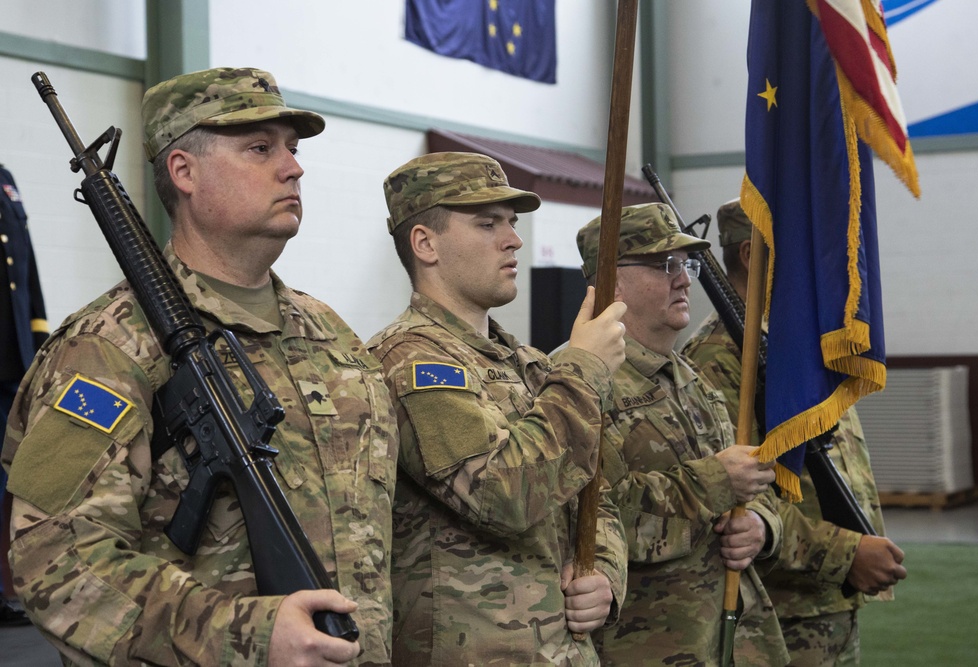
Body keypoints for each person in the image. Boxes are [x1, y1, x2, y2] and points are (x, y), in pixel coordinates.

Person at [1, 67, 397, 666]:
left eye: (291, 148)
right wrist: (245, 636)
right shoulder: (108, 348)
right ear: (183, 172)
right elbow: (55, 562)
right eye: (260, 149)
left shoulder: (330, 335)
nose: (293, 167)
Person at [367, 151, 629, 665]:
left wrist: (603, 573)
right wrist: (582, 369)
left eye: (511, 223)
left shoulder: (531, 366)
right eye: (487, 224)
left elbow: (601, 495)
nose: (513, 239)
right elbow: (500, 495)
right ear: (425, 244)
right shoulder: (408, 359)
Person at [683, 199, 907, 666]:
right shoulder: (719, 357)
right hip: (780, 613)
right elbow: (734, 503)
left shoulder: (793, 339)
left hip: (828, 599)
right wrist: (847, 553)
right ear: (750, 254)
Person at [577, 202, 790, 666]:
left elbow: (751, 482)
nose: (684, 279)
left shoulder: (693, 377)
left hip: (734, 640)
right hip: (650, 645)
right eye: (664, 265)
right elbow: (590, 520)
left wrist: (759, 527)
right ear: (612, 280)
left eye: (685, 264)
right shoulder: (580, 384)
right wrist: (716, 480)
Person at [0, 161, 49, 627]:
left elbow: (25, 270)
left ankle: (4, 590)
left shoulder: (5, 179)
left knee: (9, 484)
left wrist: (37, 343)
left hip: (11, 359)